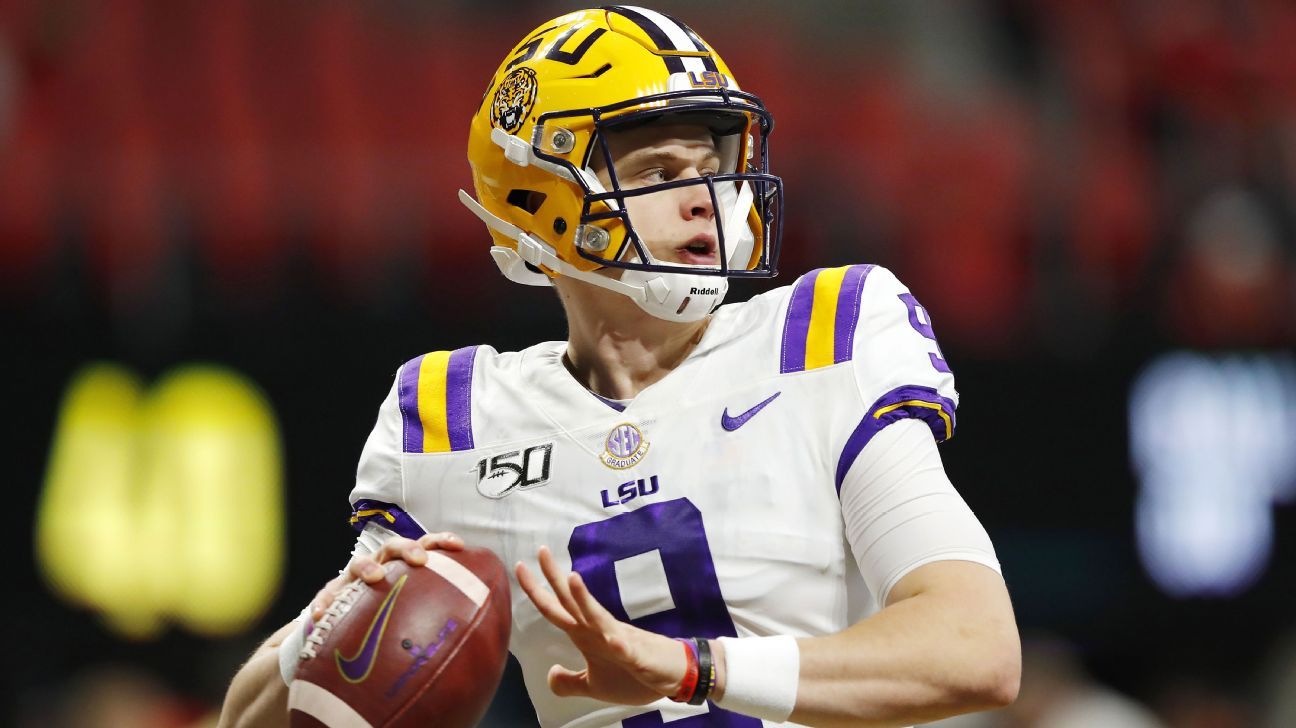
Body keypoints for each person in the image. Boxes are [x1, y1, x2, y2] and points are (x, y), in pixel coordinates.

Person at [219, 6, 1021, 727]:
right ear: (541, 200)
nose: (707, 196)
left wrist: (693, 668)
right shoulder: (453, 420)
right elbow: (252, 718)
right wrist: (327, 630)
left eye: (712, 164)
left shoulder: (823, 340)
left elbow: (975, 647)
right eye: (659, 174)